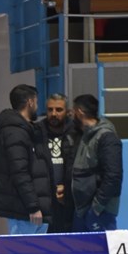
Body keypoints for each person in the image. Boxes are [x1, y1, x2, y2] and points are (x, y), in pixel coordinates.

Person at [0, 84, 53, 234]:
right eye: (36, 102)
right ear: (30, 102)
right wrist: (33, 206)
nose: (37, 107)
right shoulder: (15, 133)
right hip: (25, 212)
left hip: (34, 210)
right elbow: (20, 172)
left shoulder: (29, 131)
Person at [70, 94, 123, 232]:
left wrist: (96, 207)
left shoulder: (106, 137)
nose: (71, 116)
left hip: (100, 212)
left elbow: (114, 176)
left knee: (103, 252)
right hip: (83, 209)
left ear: (79, 112)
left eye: (73, 111)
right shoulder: (85, 135)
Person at [38, 93, 78, 234]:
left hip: (69, 199)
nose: (54, 114)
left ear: (67, 111)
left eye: (59, 110)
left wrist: (66, 187)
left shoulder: (76, 132)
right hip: (44, 199)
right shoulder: (37, 131)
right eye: (50, 109)